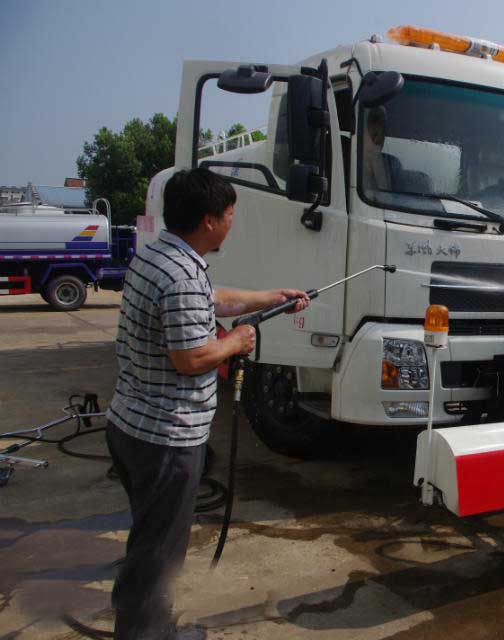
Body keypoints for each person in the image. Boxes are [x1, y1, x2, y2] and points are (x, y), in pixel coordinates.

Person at [105, 168, 308, 640]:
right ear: (210, 220)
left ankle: (144, 622)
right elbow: (192, 357)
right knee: (158, 554)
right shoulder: (180, 275)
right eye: (231, 214)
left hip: (131, 427)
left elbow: (210, 298)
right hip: (166, 439)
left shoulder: (158, 258)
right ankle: (146, 633)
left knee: (150, 538)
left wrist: (270, 297)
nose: (233, 222)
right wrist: (237, 342)